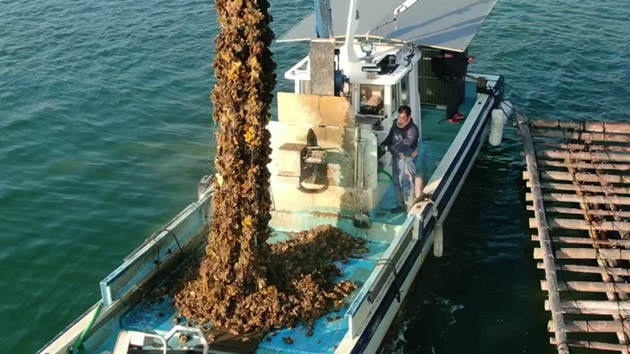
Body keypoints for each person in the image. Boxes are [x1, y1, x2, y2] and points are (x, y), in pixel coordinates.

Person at [378, 105, 420, 213]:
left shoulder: (412, 131)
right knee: (396, 182)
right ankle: (400, 205)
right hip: (396, 158)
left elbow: (403, 146)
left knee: (407, 184)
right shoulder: (395, 124)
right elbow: (390, 137)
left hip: (406, 160)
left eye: (402, 118)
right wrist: (382, 146)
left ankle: (409, 207)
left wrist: (389, 148)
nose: (400, 120)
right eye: (399, 117)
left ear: (409, 117)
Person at [432, 51, 477, 124]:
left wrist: (467, 59)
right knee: (452, 99)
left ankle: (455, 113)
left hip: (458, 77)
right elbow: (455, 67)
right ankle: (449, 117)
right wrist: (467, 61)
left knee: (457, 97)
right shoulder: (448, 54)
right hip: (452, 78)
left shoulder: (457, 52)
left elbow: (459, 61)